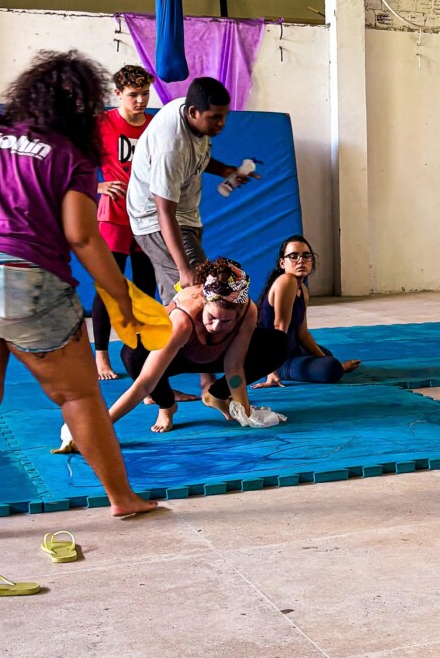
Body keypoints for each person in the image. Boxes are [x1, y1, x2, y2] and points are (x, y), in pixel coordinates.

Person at [0, 50, 157, 541]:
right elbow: (81, 234)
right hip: (17, 277)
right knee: (77, 395)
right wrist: (119, 295)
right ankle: (123, 499)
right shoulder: (71, 154)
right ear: (83, 106)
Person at [126, 77, 254, 396]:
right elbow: (163, 210)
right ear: (193, 111)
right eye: (215, 118)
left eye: (225, 116)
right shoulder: (172, 144)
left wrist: (226, 171)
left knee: (177, 300)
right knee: (197, 294)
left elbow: (199, 157)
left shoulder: (193, 120)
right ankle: (180, 386)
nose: (221, 124)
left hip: (185, 215)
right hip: (158, 220)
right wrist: (186, 271)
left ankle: (163, 382)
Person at [105, 257, 290, 433]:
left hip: (217, 356)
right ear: (203, 301)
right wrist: (102, 425)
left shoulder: (248, 311)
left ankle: (216, 395)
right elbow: (144, 384)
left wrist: (245, 411)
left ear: (239, 312)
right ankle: (167, 406)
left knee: (277, 343)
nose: (216, 327)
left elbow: (234, 367)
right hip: (179, 356)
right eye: (212, 317)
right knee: (133, 353)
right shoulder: (182, 321)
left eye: (226, 322)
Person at [90, 64, 163, 383]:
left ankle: (143, 351)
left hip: (147, 214)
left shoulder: (156, 124)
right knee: (110, 284)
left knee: (145, 286)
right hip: (115, 216)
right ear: (117, 94)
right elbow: (70, 164)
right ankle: (101, 354)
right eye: (133, 95)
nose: (140, 100)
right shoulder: (101, 124)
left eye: (145, 93)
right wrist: (97, 186)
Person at [249, 236, 361, 388]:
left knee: (327, 356)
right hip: (275, 357)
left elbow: (302, 333)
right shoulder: (286, 281)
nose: (301, 260)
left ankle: (327, 365)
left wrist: (323, 359)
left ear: (312, 261)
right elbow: (279, 328)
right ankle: (277, 370)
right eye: (293, 256)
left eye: (306, 256)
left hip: (292, 349)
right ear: (282, 263)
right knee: (331, 368)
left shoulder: (302, 289)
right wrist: (271, 371)